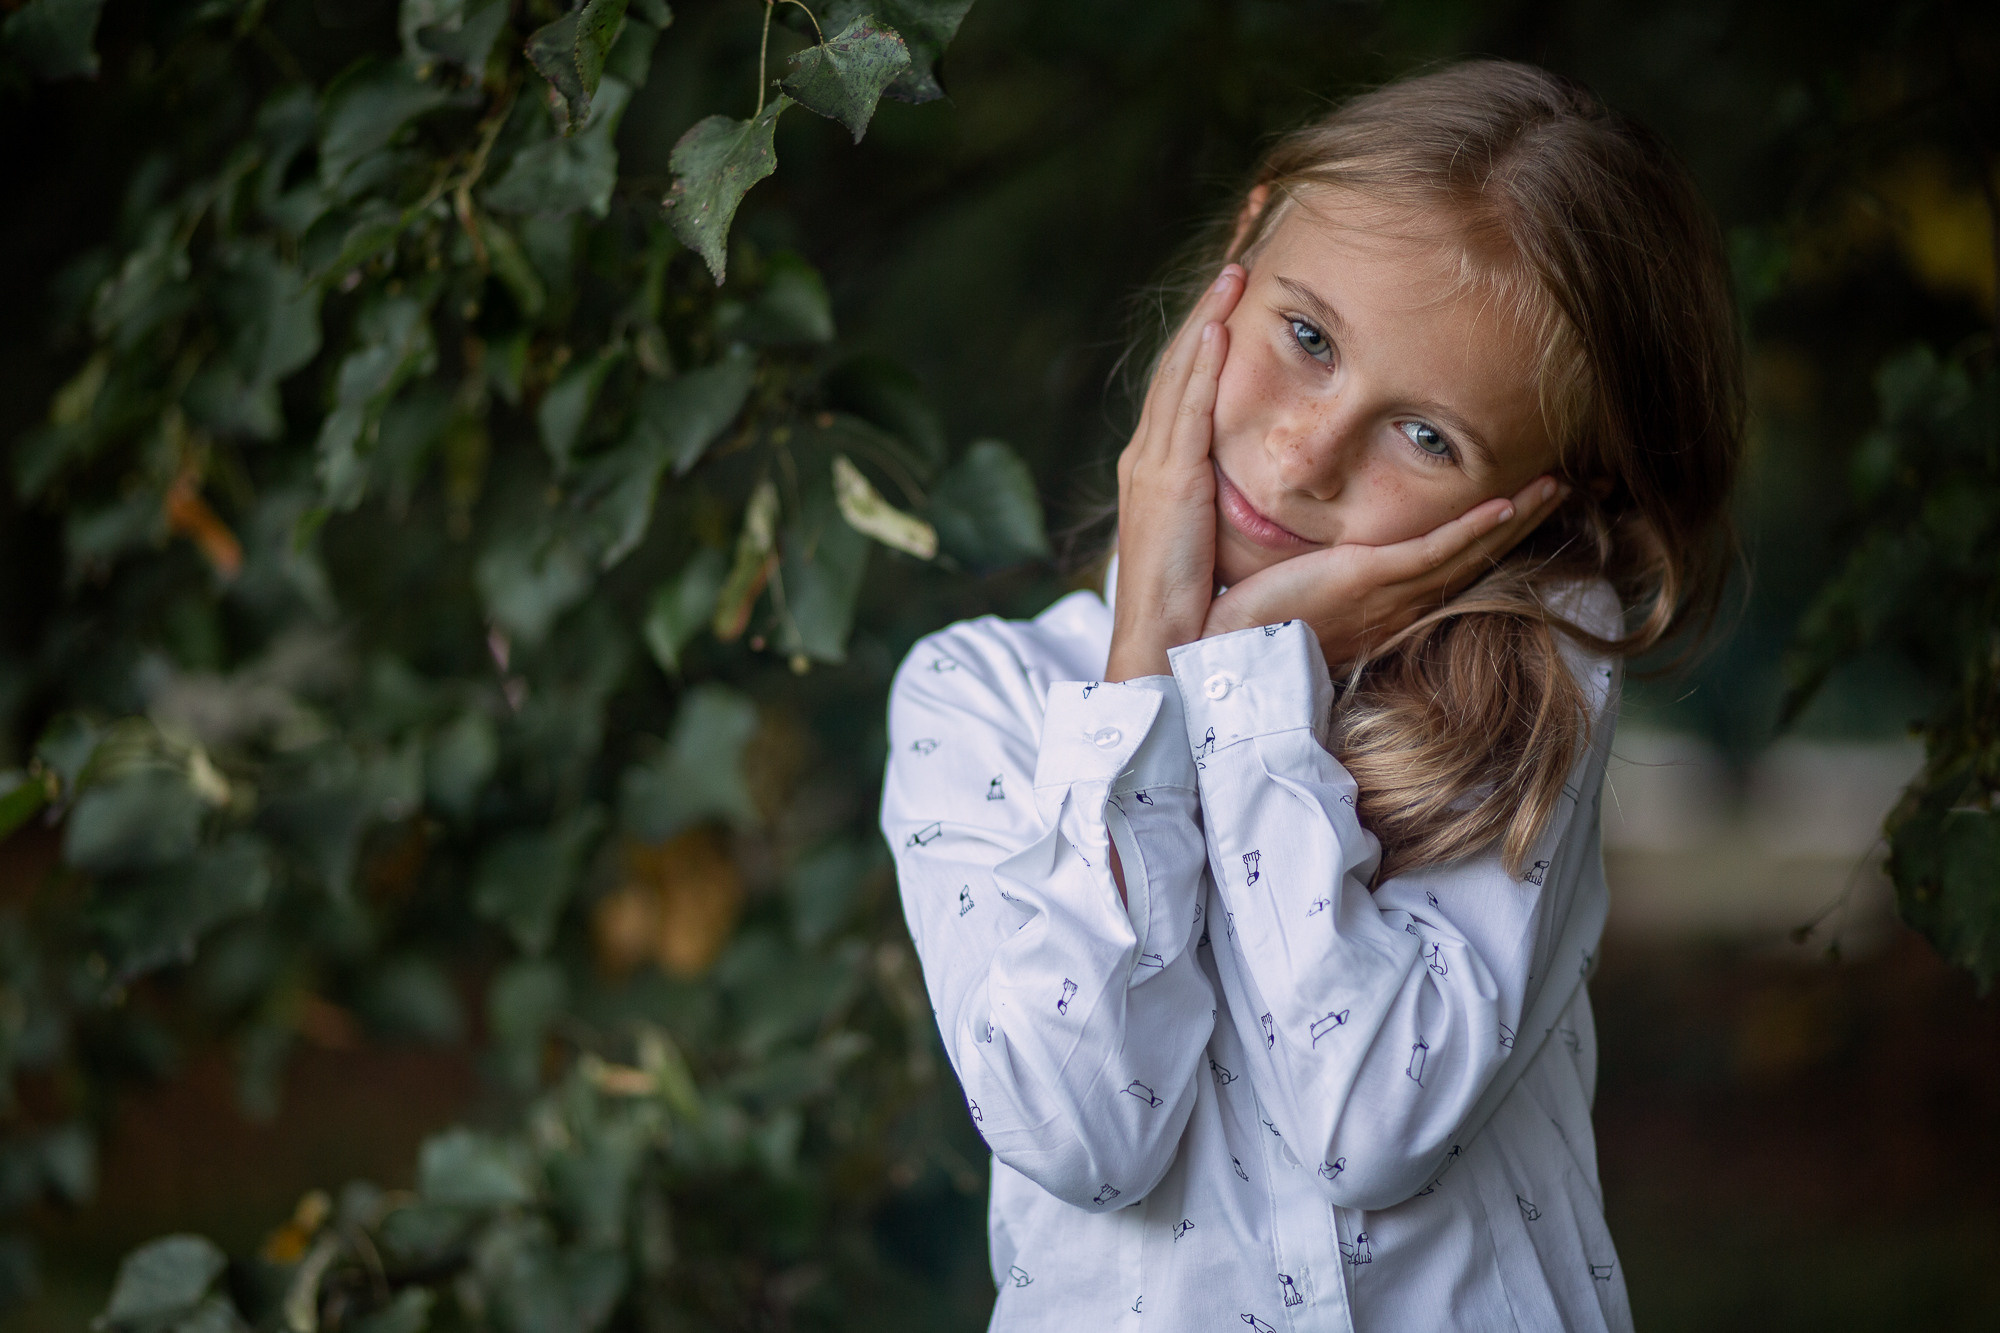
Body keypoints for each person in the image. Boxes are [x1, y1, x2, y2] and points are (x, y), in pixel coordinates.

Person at [881, 59, 1742, 1333]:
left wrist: (1245, 685)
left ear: (1544, 499)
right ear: (1246, 238)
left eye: (1426, 437)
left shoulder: (1533, 673)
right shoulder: (981, 698)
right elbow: (1081, 1129)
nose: (1302, 455)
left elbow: (1370, 1119)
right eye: (1307, 337)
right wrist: (1151, 683)